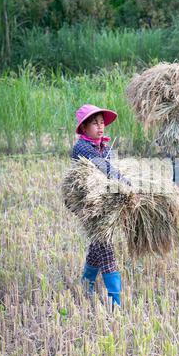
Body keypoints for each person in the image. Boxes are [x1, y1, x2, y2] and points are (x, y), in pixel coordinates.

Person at [71, 104, 131, 310]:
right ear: (84, 127)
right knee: (105, 247)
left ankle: (86, 284)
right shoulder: (82, 147)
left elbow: (114, 167)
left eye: (102, 123)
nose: (100, 127)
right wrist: (126, 183)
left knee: (98, 244)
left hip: (107, 204)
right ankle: (115, 300)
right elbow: (105, 168)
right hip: (89, 206)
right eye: (95, 123)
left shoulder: (106, 147)